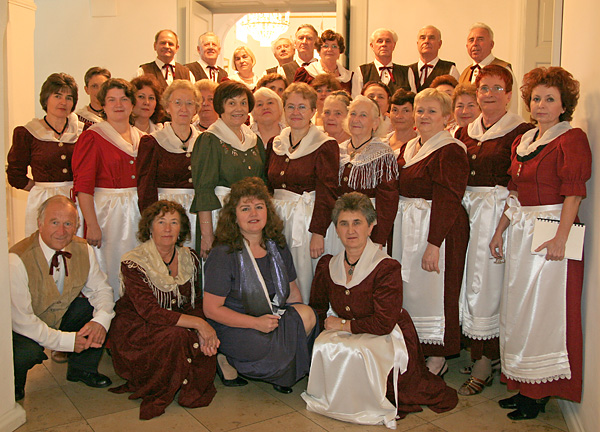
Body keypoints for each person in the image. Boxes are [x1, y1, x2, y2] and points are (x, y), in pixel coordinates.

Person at [304, 193, 458, 426]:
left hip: (387, 332)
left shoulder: (386, 267)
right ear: (336, 229)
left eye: (357, 222)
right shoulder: (328, 265)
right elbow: (317, 307)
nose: (350, 230)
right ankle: (338, 399)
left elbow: (383, 323)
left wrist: (343, 325)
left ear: (371, 226)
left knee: (360, 349)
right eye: (344, 223)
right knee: (327, 344)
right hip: (355, 328)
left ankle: (364, 402)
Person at [490, 67, 591, 420]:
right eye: (536, 98)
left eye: (550, 99)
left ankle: (540, 392)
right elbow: (515, 192)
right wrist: (500, 230)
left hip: (552, 231)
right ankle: (524, 385)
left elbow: (574, 193)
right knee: (519, 310)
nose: (541, 105)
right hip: (522, 231)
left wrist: (561, 237)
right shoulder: (524, 140)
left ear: (564, 105)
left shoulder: (571, 139)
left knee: (545, 312)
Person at [456, 64, 533, 396]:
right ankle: (479, 351)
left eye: (497, 88)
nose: (489, 94)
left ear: (509, 94)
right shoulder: (464, 132)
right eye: (483, 88)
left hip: (497, 216)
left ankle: (486, 360)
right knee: (468, 283)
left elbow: (518, 182)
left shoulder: (521, 131)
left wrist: (502, 224)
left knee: (488, 286)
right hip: (467, 214)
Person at [203, 177, 317, 394]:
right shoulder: (223, 253)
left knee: (308, 316)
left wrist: (295, 325)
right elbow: (211, 309)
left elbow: (292, 293)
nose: (253, 213)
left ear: (268, 211)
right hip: (236, 326)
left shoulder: (278, 245)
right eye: (245, 208)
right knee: (264, 344)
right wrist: (256, 323)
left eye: (259, 207)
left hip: (271, 319)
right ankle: (230, 358)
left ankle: (281, 365)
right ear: (234, 216)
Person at [109, 200, 217, 419]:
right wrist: (199, 324)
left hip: (175, 321)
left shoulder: (190, 257)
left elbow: (194, 302)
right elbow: (149, 311)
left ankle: (185, 382)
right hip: (138, 328)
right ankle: (167, 383)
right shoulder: (133, 261)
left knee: (198, 334)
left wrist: (201, 328)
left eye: (174, 222)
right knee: (178, 335)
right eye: (161, 222)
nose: (167, 228)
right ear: (150, 227)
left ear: (181, 229)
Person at [391, 88, 469, 376]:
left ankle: (438, 356)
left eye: (432, 111)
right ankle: (416, 347)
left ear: (447, 117)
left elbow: (449, 198)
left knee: (437, 289)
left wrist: (434, 244)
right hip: (409, 226)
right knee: (412, 290)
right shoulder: (409, 148)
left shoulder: (450, 150)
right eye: (420, 110)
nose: (423, 116)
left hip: (439, 229)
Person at [10, 196, 115, 401]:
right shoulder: (17, 259)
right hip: (20, 328)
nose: (61, 231)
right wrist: (67, 342)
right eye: (54, 222)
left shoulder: (83, 249)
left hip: (59, 315)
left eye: (68, 224)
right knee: (25, 351)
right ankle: (13, 382)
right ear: (40, 224)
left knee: (97, 311)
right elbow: (22, 321)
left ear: (76, 226)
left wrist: (100, 322)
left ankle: (81, 369)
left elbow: (101, 289)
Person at [72, 78, 144, 300]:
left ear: (132, 104)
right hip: (107, 215)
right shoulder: (93, 137)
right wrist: (92, 225)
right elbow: (83, 186)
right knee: (110, 266)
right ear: (103, 104)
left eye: (124, 99)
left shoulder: (143, 138)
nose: (118, 104)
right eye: (112, 100)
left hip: (137, 213)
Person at [267, 83, 339, 303]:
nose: (295, 112)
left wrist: (318, 232)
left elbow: (327, 192)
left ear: (313, 111)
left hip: (307, 220)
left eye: (302, 107)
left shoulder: (325, 145)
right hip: (278, 218)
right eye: (290, 106)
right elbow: (267, 187)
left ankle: (306, 313)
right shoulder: (275, 143)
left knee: (304, 273)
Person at [190, 81, 266, 258]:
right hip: (220, 216)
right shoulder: (209, 140)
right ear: (220, 107)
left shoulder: (254, 140)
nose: (238, 108)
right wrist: (207, 235)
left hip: (251, 219)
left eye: (243, 103)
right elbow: (204, 190)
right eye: (231, 103)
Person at [7, 72, 84, 236]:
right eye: (57, 96)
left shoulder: (83, 132)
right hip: (43, 202)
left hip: (76, 201)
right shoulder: (28, 133)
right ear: (46, 98)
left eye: (69, 98)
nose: (63, 102)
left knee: (75, 246)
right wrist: (40, 189)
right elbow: (14, 174)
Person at [137, 80, 201, 248]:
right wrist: (152, 221)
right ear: (167, 107)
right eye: (177, 102)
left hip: (197, 214)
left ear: (196, 109)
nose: (184, 108)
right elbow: (145, 188)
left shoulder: (205, 141)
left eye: (189, 103)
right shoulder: (153, 142)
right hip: (164, 215)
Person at [336, 95, 399, 252]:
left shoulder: (383, 154)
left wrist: (379, 239)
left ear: (375, 123)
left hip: (368, 230)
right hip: (338, 228)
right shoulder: (337, 150)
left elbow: (388, 202)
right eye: (353, 114)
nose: (356, 119)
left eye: (363, 115)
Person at [352, 28, 413, 97]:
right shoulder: (361, 71)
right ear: (372, 46)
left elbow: (413, 100)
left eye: (388, 41)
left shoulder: (407, 72)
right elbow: (356, 99)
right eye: (380, 41)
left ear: (394, 45)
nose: (384, 44)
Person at [294, 30, 353, 94]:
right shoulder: (305, 73)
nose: (330, 49)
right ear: (319, 50)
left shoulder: (349, 78)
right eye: (325, 46)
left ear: (340, 51)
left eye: (334, 46)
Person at [408, 26, 460, 93]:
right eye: (422, 38)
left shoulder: (450, 69)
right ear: (417, 43)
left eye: (431, 38)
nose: (426, 41)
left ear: (439, 44)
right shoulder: (408, 71)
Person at [387, 89, 417, 157]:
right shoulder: (381, 143)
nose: (399, 116)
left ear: (415, 113)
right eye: (395, 110)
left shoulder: (421, 145)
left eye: (406, 111)